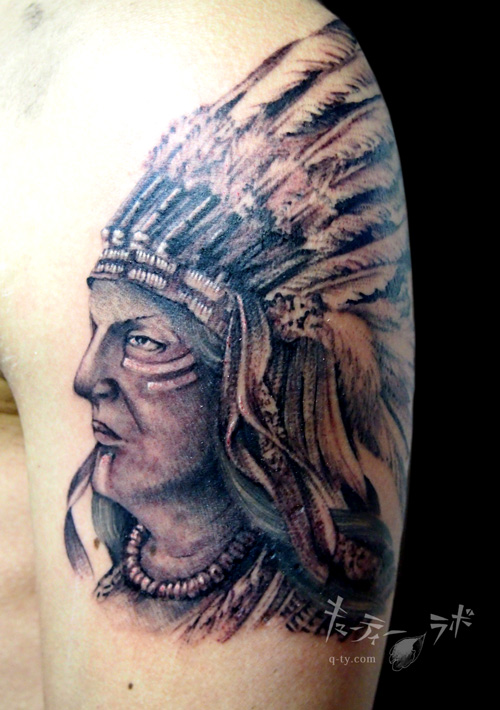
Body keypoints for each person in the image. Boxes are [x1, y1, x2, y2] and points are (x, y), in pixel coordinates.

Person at [0, 2, 412, 707]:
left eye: (144, 341)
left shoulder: (169, 58)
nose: (86, 377)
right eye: (96, 333)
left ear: (248, 375)